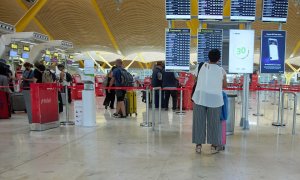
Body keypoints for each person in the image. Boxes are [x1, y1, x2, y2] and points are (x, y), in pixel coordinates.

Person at [192, 49, 227, 154]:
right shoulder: (221, 70)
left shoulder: (201, 66)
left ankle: (198, 146)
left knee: (199, 121)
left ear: (208, 57)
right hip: (215, 99)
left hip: (200, 97)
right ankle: (214, 146)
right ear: (219, 59)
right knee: (214, 123)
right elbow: (225, 85)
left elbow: (195, 80)